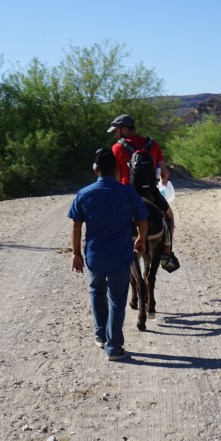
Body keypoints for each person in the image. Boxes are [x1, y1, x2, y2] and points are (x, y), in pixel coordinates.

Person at [69, 148, 149, 361]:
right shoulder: (128, 192)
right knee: (117, 299)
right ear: (116, 170)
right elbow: (142, 220)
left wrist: (76, 253)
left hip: (94, 256)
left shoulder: (84, 194)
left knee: (96, 292)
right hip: (120, 257)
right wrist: (141, 238)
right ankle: (113, 347)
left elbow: (76, 227)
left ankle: (100, 336)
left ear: (95, 170)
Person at [108, 114, 179, 272]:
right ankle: (167, 251)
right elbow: (165, 174)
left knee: (111, 220)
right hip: (150, 193)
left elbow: (117, 175)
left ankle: (114, 251)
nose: (115, 134)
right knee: (169, 216)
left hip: (127, 193)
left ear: (125, 130)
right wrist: (162, 186)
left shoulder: (117, 148)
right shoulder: (152, 144)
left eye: (116, 131)